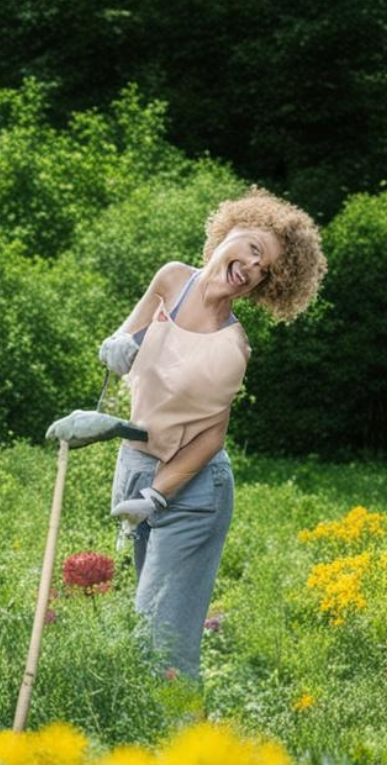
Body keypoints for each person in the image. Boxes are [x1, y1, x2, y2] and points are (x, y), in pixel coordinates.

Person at [97, 188, 327, 679]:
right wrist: (117, 345)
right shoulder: (172, 278)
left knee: (161, 644)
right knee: (144, 636)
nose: (250, 266)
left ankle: (189, 750)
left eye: (265, 270)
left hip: (190, 489)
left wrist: (156, 496)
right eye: (251, 248)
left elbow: (210, 438)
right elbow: (130, 338)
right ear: (226, 234)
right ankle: (154, 745)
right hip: (135, 465)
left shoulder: (230, 347)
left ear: (265, 287)